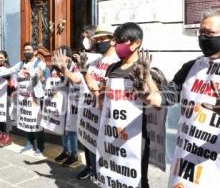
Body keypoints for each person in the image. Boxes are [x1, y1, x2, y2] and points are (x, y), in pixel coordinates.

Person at [136, 8, 220, 188]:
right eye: (200, 33)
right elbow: (165, 98)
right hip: (188, 165)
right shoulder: (192, 67)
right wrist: (147, 93)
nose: (203, 38)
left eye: (209, 33)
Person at [96, 22, 151, 188]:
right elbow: (103, 98)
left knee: (137, 178)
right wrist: (100, 94)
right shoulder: (112, 68)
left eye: (120, 41)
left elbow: (153, 100)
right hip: (111, 132)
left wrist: (145, 82)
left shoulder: (144, 69)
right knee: (112, 172)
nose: (115, 44)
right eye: (115, 40)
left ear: (136, 43)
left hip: (135, 137)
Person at [76, 24, 119, 181]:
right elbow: (86, 77)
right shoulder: (95, 61)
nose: (99, 42)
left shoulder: (118, 63)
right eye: (97, 39)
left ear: (113, 40)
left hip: (105, 115)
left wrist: (95, 88)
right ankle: (91, 169)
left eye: (103, 39)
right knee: (89, 142)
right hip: (90, 113)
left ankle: (100, 173)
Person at [0, 42, 49, 156]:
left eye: (29, 49)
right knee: (26, 121)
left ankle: (40, 146)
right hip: (23, 99)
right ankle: (30, 143)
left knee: (37, 123)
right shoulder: (21, 64)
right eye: (25, 49)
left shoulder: (40, 63)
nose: (26, 51)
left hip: (35, 99)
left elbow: (38, 72)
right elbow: (10, 70)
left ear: (35, 51)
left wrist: (30, 73)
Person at [53, 45, 81, 167]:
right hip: (62, 102)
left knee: (71, 130)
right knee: (63, 128)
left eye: (61, 55)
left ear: (68, 57)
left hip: (74, 103)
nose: (58, 58)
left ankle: (74, 154)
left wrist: (63, 72)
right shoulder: (57, 68)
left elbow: (75, 82)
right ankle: (66, 150)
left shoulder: (76, 67)